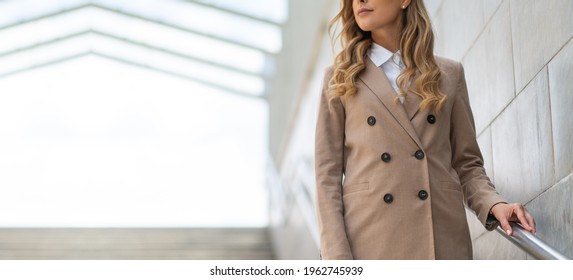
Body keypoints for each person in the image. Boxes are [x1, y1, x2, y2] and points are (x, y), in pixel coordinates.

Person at [314, 0, 536, 260]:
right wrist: (336, 260)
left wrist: (493, 203)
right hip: (371, 243)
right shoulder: (340, 78)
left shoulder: (448, 74)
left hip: (441, 242)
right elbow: (326, 179)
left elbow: (467, 164)